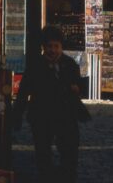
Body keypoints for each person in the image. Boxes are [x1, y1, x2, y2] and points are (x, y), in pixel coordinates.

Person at [13, 26, 84, 182]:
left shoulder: (70, 64)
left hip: (65, 115)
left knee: (69, 150)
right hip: (41, 115)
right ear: (43, 47)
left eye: (56, 46)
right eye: (49, 46)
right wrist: (16, 116)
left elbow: (79, 86)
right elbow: (24, 92)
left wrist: (76, 88)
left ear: (61, 47)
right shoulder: (35, 65)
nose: (52, 50)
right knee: (43, 153)